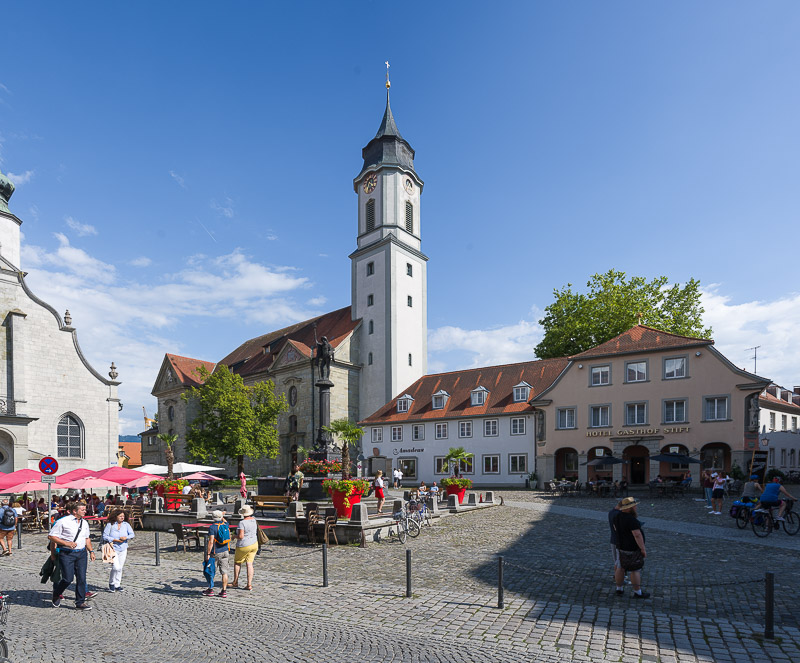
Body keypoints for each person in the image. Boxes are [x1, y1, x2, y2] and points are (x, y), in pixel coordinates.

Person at [48, 501, 96, 610]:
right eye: (82, 510)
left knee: (82, 578)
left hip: (81, 553)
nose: (85, 511)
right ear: (75, 511)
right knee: (67, 579)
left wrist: (91, 551)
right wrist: (66, 543)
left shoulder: (85, 523)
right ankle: (56, 593)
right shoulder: (63, 522)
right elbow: (51, 537)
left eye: (85, 509)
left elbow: (86, 538)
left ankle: (80, 602)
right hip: (67, 553)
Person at [612, 497, 649, 599]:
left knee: (620, 567)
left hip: (620, 546)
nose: (636, 507)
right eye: (634, 505)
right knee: (635, 569)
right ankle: (637, 592)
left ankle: (619, 589)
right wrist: (643, 549)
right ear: (630, 508)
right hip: (632, 548)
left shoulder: (617, 516)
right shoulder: (631, 519)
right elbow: (637, 535)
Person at [102, 509, 135, 592]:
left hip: (123, 548)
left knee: (120, 567)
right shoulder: (110, 525)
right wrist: (115, 539)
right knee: (116, 567)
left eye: (123, 516)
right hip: (112, 547)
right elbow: (105, 536)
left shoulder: (126, 524)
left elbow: (132, 534)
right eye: (120, 516)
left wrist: (126, 537)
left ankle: (117, 584)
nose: (122, 518)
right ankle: (111, 583)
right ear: (116, 516)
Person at [204, 510, 231, 598]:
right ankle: (224, 591)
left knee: (211, 571)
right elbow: (226, 521)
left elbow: (211, 542)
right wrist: (222, 516)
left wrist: (208, 553)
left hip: (215, 552)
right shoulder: (225, 525)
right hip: (225, 551)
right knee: (224, 572)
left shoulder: (212, 527)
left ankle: (210, 589)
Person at [231, 505, 257, 590]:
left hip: (244, 545)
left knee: (237, 562)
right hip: (254, 544)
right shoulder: (254, 520)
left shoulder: (242, 522)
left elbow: (241, 536)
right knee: (249, 564)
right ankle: (249, 584)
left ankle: (235, 582)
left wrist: (234, 536)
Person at [607, 500, 625, 595]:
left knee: (616, 562)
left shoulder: (611, 512)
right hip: (619, 541)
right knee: (619, 563)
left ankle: (617, 577)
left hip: (613, 540)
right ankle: (619, 583)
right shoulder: (619, 515)